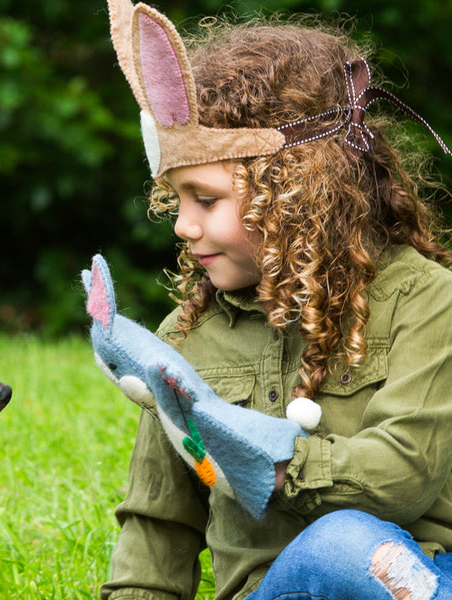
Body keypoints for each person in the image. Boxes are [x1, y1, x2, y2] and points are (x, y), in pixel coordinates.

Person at [98, 1, 452, 598]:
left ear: (294, 193)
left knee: (343, 547)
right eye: (176, 199)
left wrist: (257, 454)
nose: (182, 225)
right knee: (325, 555)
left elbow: (405, 473)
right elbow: (159, 528)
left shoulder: (426, 300)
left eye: (205, 200)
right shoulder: (186, 335)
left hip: (406, 577)